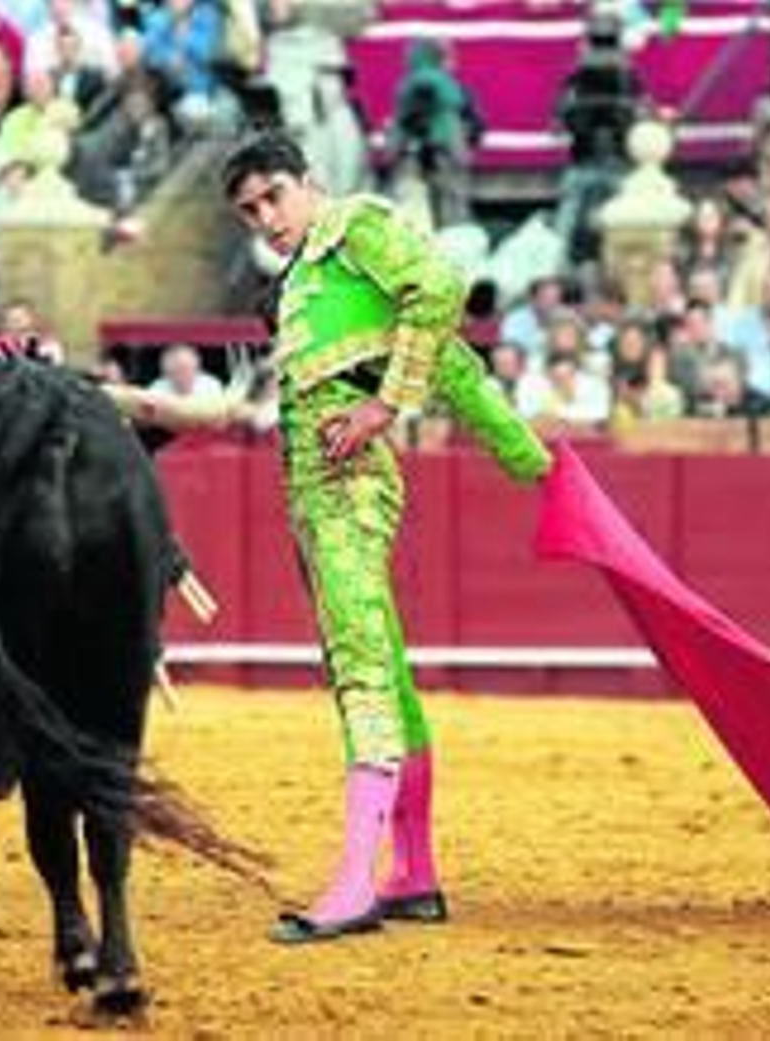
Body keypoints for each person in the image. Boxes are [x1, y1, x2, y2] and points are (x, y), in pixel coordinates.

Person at [220, 131, 550, 944]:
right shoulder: (312, 281)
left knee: (359, 667)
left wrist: (380, 409)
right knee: (383, 673)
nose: (266, 218)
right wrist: (524, 454)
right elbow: (451, 363)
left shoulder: (354, 228)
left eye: (274, 196)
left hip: (350, 491)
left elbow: (442, 285)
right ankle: (415, 872)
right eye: (249, 210)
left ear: (309, 181)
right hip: (317, 497)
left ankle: (351, 883)